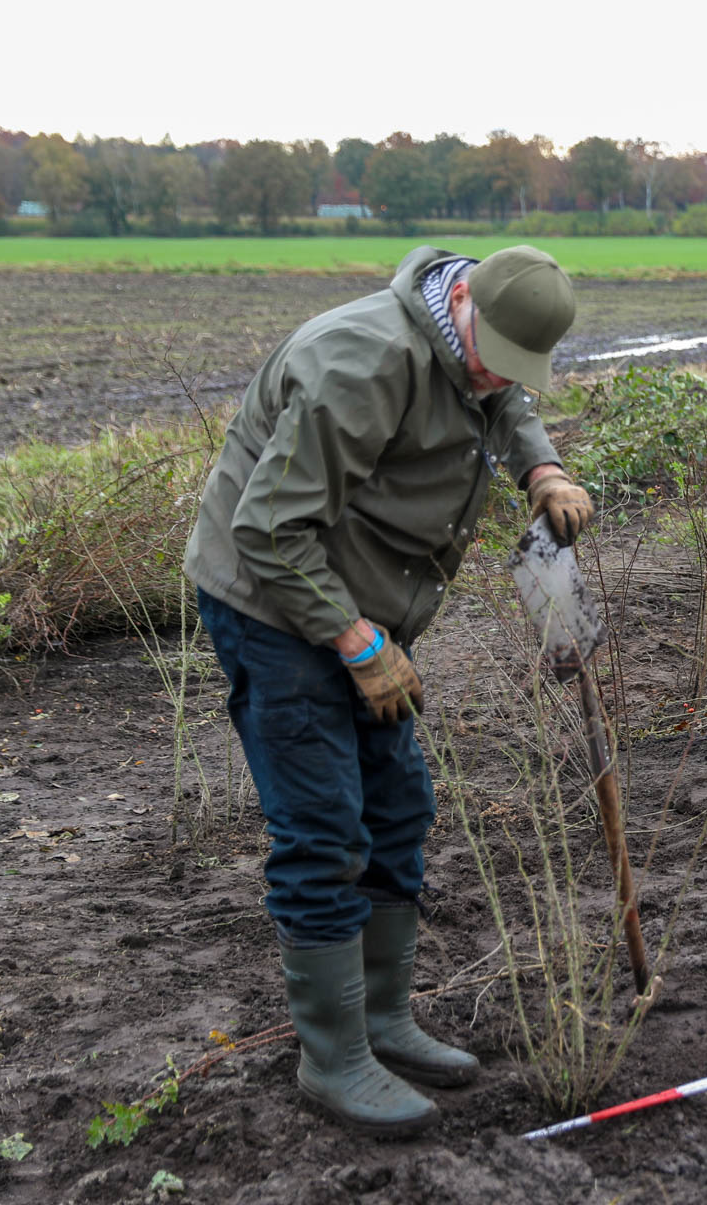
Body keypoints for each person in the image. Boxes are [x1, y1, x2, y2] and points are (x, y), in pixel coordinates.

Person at [184, 245, 591, 1132]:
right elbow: (269, 529)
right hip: (273, 601)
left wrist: (541, 468)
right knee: (324, 827)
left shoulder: (473, 344)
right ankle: (333, 1060)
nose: (499, 376)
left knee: (398, 805)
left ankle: (382, 1018)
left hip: (360, 596)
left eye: (517, 365)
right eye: (494, 356)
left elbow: (500, 396)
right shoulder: (358, 365)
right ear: (462, 302)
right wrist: (358, 642)